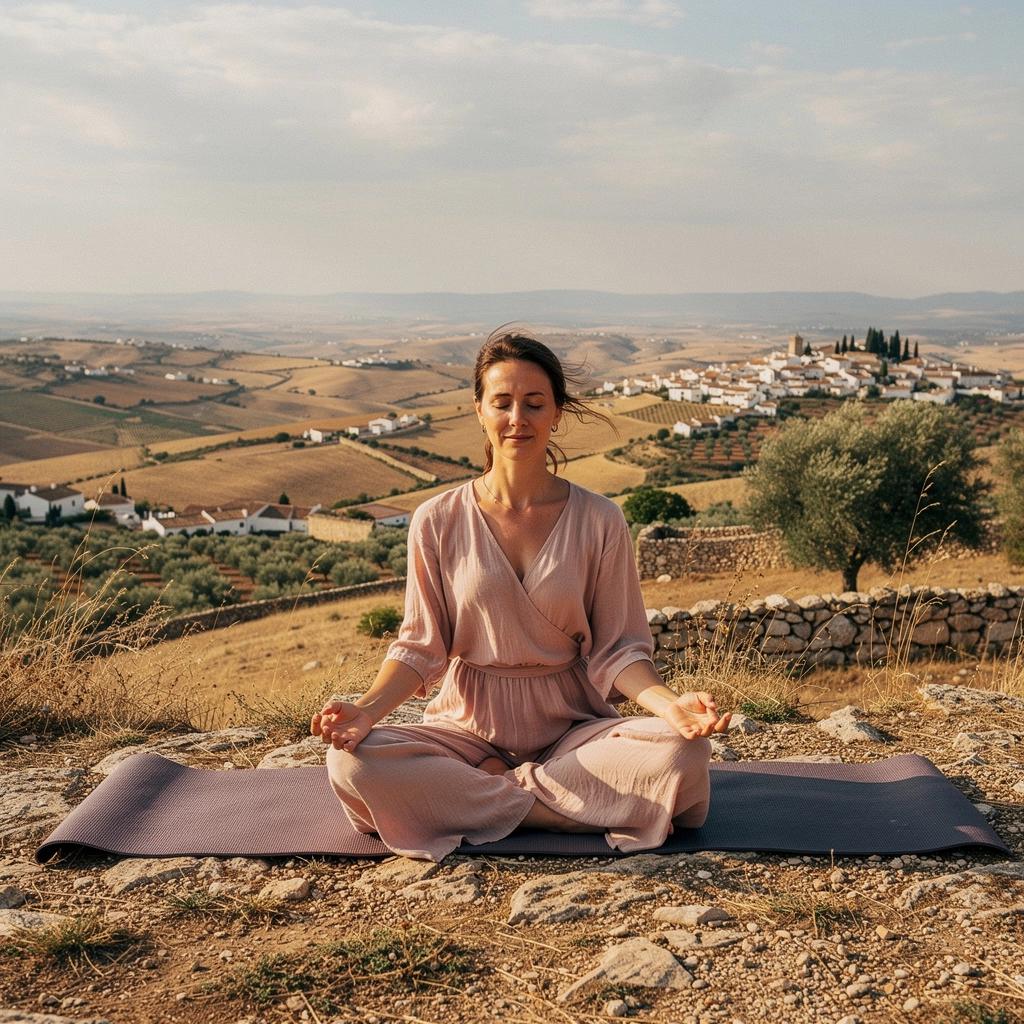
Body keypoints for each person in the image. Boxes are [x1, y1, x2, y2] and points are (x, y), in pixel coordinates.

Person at [311, 327, 730, 862]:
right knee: (352, 763)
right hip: (463, 728)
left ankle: (486, 801)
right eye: (502, 403)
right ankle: (571, 809)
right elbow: (420, 647)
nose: (518, 418)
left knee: (682, 756)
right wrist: (367, 711)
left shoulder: (601, 520)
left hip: (575, 729)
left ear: (557, 411)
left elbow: (620, 650)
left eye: (534, 403)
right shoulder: (436, 520)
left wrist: (672, 707)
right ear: (478, 410)